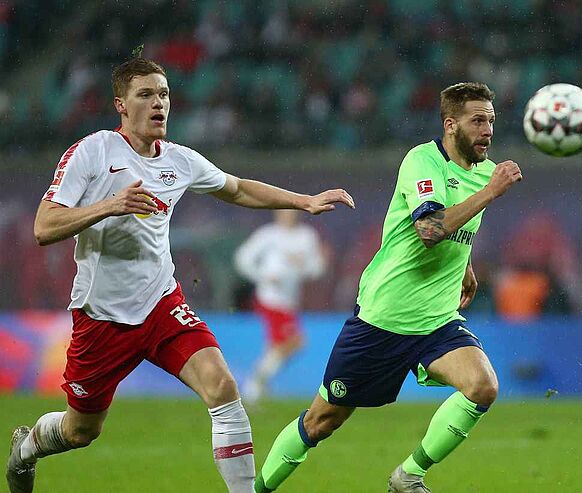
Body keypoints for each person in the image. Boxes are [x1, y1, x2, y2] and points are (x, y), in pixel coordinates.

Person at [5, 51, 354, 493]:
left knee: (222, 386)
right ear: (120, 104)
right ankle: (27, 448)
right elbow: (44, 226)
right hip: (102, 317)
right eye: (145, 95)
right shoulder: (92, 152)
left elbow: (238, 189)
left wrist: (303, 201)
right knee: (80, 431)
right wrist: (110, 205)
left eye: (164, 94)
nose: (159, 103)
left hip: (161, 304)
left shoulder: (180, 160)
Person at [254, 82, 523, 493]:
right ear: (451, 125)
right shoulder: (423, 161)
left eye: (491, 120)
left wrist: (465, 265)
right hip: (384, 318)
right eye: (477, 121)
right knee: (321, 421)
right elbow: (429, 229)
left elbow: (458, 227)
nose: (487, 130)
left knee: (482, 385)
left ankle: (408, 475)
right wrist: (490, 193)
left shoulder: (485, 171)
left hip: (436, 319)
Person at [234, 209, 326, 404]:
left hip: (290, 300)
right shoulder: (268, 235)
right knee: (295, 341)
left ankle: (255, 390)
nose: (287, 215)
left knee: (277, 346)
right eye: (284, 210)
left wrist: (302, 266)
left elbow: (317, 268)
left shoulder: (306, 236)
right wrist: (263, 276)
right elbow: (243, 258)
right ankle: (255, 382)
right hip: (270, 298)